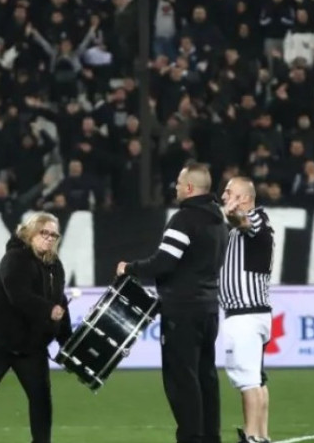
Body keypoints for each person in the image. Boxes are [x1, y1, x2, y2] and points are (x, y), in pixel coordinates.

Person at [116, 163, 228, 443]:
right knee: (206, 377)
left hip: (183, 310)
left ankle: (191, 437)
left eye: (179, 183)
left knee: (182, 379)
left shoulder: (184, 219)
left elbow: (164, 263)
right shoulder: (219, 221)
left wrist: (129, 268)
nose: (175, 187)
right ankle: (210, 437)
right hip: (209, 308)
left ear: (189, 188)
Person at [0, 212, 73, 443]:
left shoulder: (55, 267)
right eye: (44, 232)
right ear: (30, 234)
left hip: (29, 343)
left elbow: (60, 302)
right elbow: (18, 295)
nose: (49, 238)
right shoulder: (15, 258)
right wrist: (48, 310)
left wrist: (67, 342)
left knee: (40, 396)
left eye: (54, 234)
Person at [219, 177, 274, 443]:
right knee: (257, 379)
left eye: (229, 192)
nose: (224, 195)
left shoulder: (256, 218)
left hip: (245, 314)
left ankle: (251, 436)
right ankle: (262, 436)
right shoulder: (246, 227)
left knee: (247, 381)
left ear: (244, 198)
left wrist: (232, 214)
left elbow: (243, 222)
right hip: (252, 313)